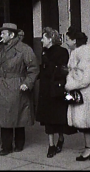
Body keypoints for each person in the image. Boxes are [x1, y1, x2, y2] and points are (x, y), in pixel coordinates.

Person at [0, 23, 39, 156]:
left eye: (3, 33)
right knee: (4, 118)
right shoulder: (1, 49)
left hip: (17, 85)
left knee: (18, 116)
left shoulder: (24, 49)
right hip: (3, 85)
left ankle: (19, 144)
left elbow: (34, 69)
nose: (1, 35)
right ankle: (6, 146)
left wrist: (27, 83)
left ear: (11, 35)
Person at [36, 27, 77, 158]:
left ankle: (60, 139)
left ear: (50, 39)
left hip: (57, 90)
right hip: (46, 90)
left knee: (59, 117)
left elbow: (62, 69)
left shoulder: (62, 52)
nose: (41, 40)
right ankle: (51, 145)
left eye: (44, 38)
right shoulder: (44, 52)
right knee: (48, 119)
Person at [64, 26, 90, 161]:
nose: (66, 42)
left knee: (86, 123)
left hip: (86, 93)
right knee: (87, 123)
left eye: (67, 39)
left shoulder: (82, 52)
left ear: (74, 40)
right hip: (88, 93)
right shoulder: (84, 51)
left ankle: (88, 149)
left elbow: (85, 77)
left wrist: (70, 85)